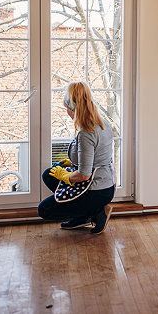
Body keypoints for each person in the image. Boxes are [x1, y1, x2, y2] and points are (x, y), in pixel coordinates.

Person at [37, 81, 115, 234]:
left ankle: (94, 212)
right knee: (49, 174)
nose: (67, 112)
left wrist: (66, 176)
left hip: (96, 190)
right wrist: (71, 163)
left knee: (44, 210)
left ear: (73, 108)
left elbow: (84, 175)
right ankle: (84, 215)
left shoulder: (87, 133)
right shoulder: (102, 122)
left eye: (67, 108)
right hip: (105, 184)